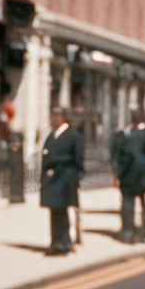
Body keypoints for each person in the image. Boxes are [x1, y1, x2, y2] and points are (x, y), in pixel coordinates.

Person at [40, 107, 84, 256]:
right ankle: (55, 242)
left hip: (65, 180)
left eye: (54, 116)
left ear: (61, 117)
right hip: (52, 182)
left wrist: (75, 179)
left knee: (64, 213)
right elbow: (44, 159)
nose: (51, 120)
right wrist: (36, 182)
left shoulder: (73, 136)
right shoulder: (51, 135)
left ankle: (65, 243)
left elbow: (78, 160)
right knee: (54, 212)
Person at [110, 107, 145, 243]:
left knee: (127, 204)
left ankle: (128, 232)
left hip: (128, 175)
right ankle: (143, 231)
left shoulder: (124, 135)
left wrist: (116, 174)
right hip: (144, 175)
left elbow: (117, 156)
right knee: (143, 203)